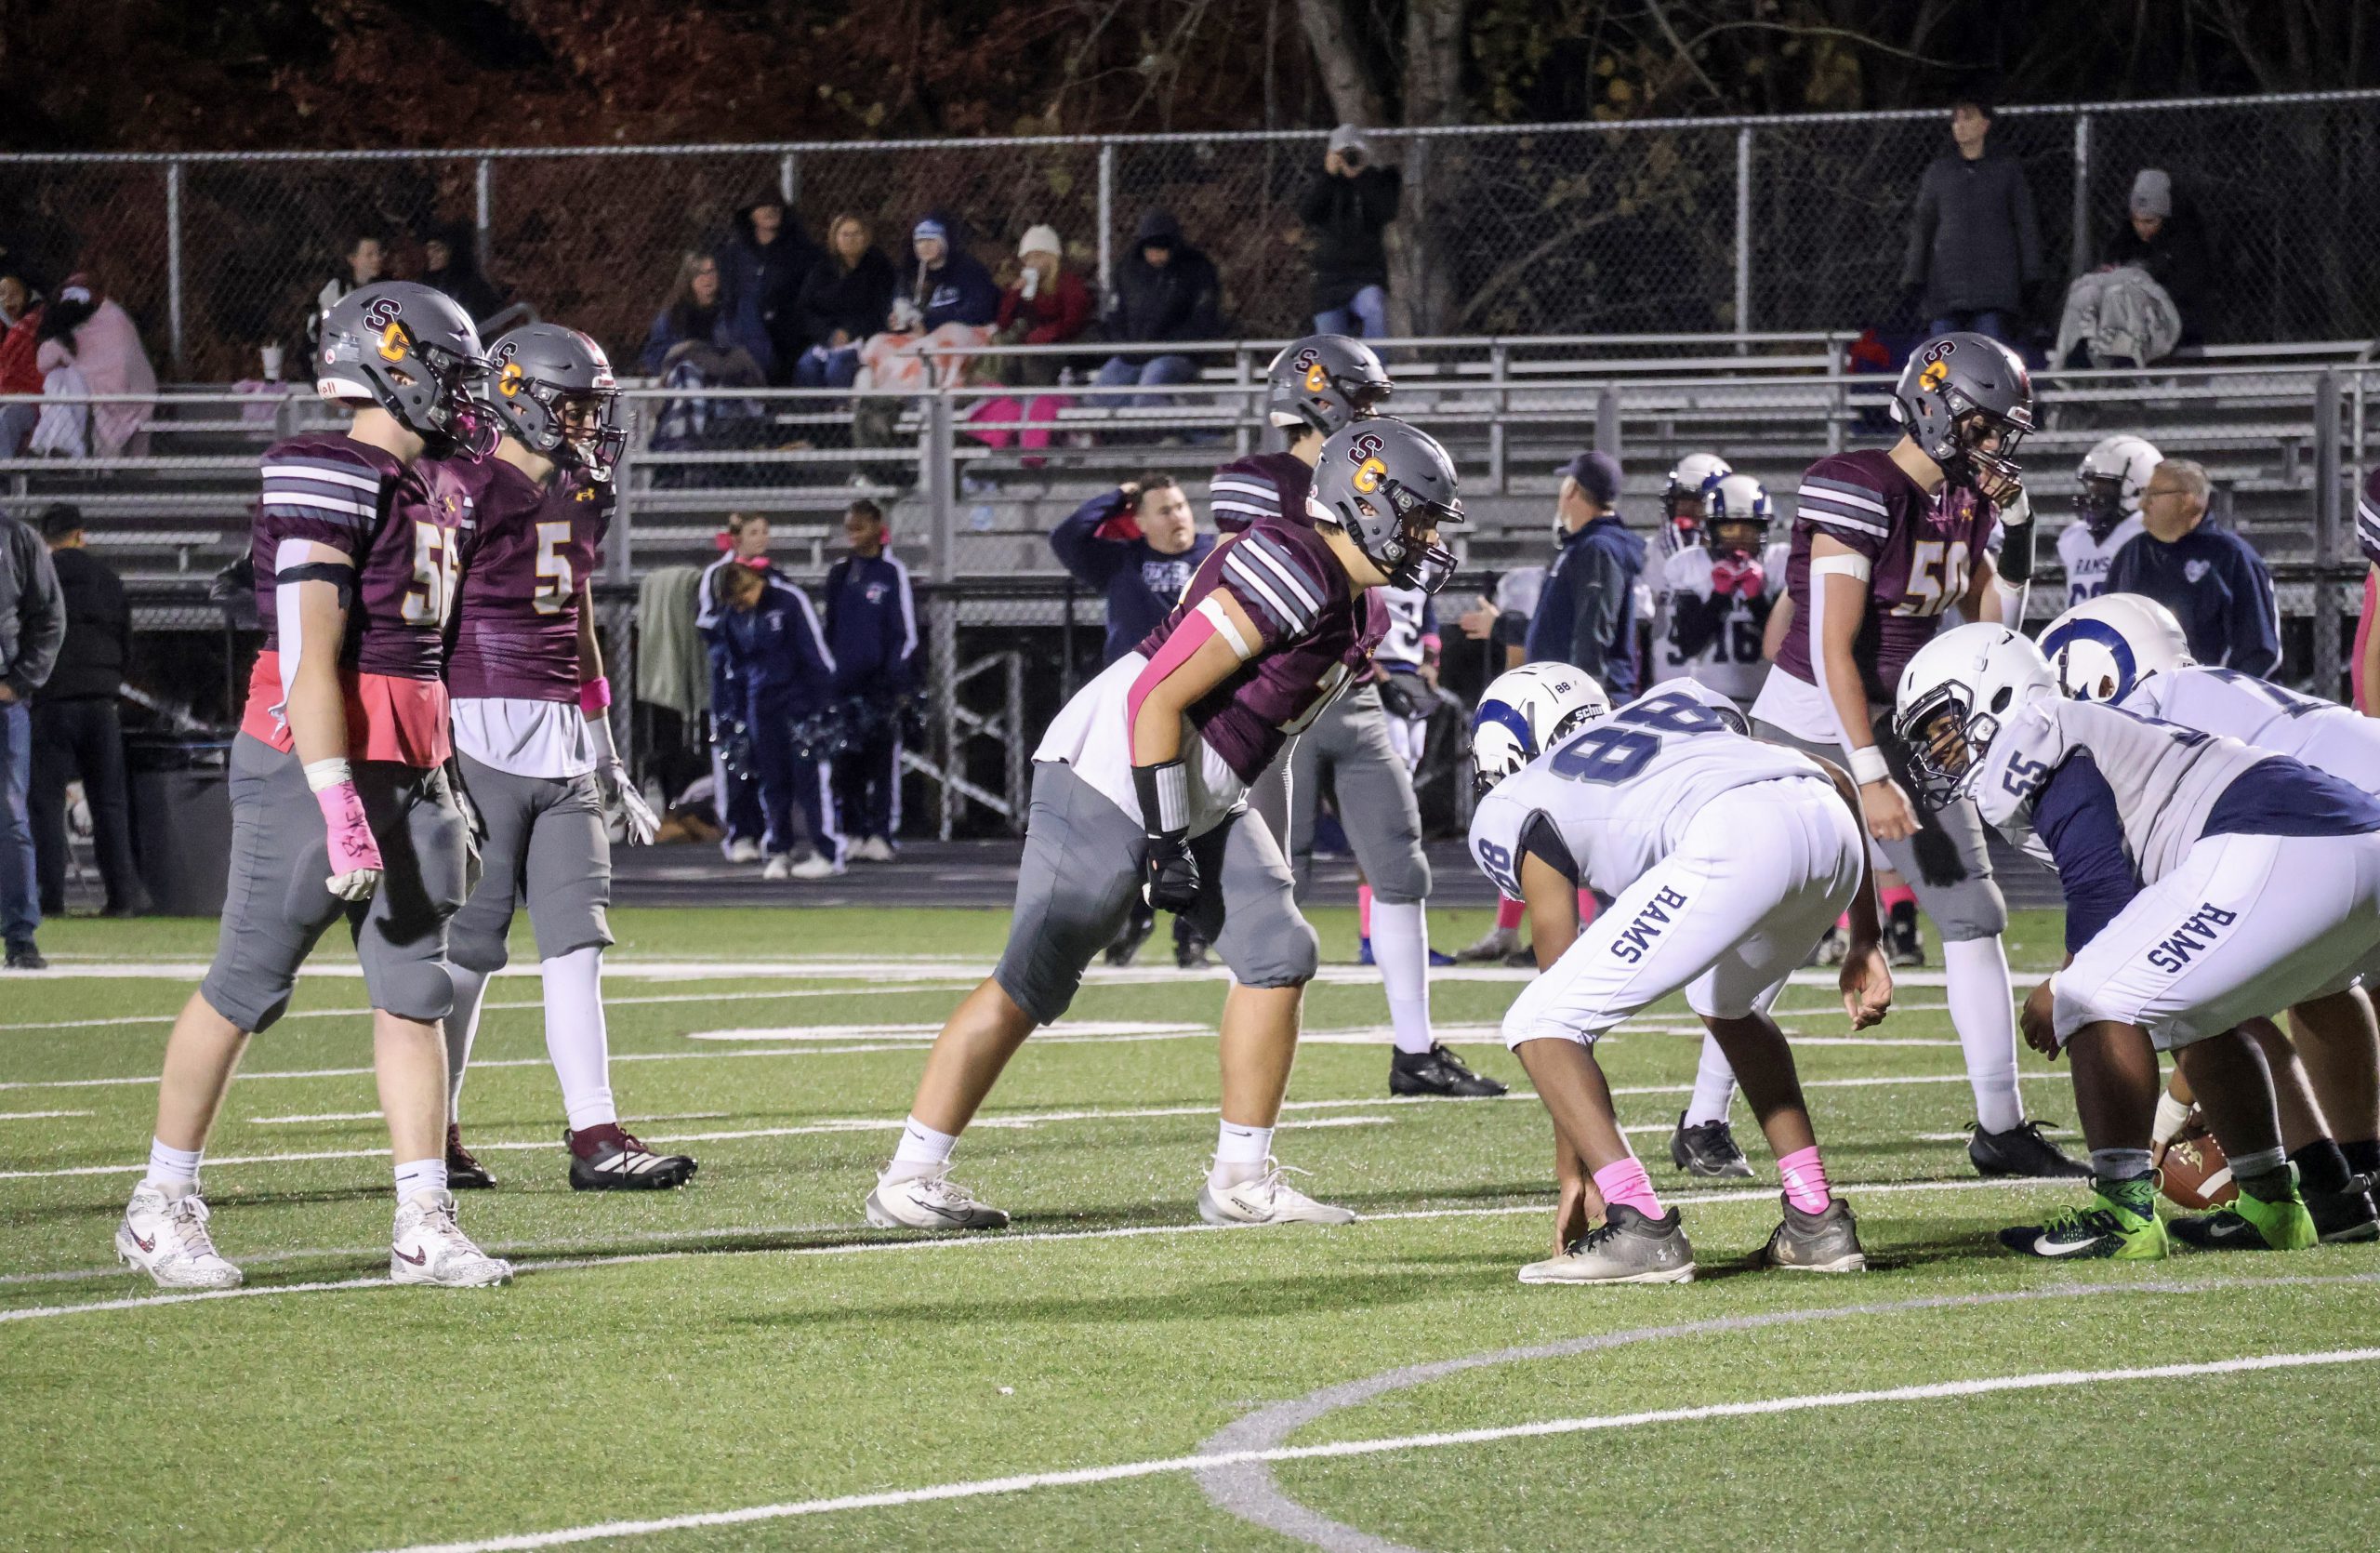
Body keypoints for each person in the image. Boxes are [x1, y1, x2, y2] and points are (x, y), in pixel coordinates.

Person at [863, 418, 1463, 1233]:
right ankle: (911, 1175)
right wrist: (1167, 836)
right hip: (1117, 769)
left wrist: (1238, 829)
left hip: (1199, 784)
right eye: (1421, 515)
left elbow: (1266, 737)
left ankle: (1240, 1180)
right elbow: (1157, 697)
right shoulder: (1292, 567)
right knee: (1035, 975)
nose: (1428, 536)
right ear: (1371, 502)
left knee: (1279, 951)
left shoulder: (1360, 609)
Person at [112, 281, 509, 1290]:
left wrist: (442, 773)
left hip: (410, 763)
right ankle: (159, 1204)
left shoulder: (438, 485)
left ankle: (424, 1217)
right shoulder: (324, 466)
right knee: (249, 983)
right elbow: (307, 654)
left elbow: (428, 655)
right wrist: (336, 801)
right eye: (452, 372)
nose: (466, 395)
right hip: (311, 759)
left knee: (413, 991)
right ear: (392, 364)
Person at [1895, 623, 2379, 1258]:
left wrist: (2060, 987)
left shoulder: (2037, 730)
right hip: (2340, 847)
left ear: (1998, 691)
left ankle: (2123, 1214)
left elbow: (2100, 886)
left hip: (2283, 840)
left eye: (1943, 723)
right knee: (2187, 1015)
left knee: (2092, 994)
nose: (1939, 749)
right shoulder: (2089, 731)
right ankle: (2274, 1205)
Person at [1735, 330, 2082, 1181]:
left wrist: (2023, 526)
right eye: (1986, 425)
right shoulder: (1858, 485)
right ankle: (1704, 1118)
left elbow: (1995, 628)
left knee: (1972, 911)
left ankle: (2000, 1126)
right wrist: (1869, 770)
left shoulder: (1964, 501)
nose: (1998, 445)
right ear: (1937, 409)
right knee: (1778, 928)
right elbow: (1832, 649)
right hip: (1813, 726)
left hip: (1906, 719)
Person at [1466, 667, 1889, 1282]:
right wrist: (1867, 938)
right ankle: (1815, 1218)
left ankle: (1638, 1225)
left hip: (1739, 838)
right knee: (1728, 1001)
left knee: (1537, 1019)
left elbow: (1557, 1011)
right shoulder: (1678, 702)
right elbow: (1837, 778)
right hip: (1831, 829)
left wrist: (1577, 1177)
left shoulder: (1518, 799)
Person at [434, 323, 690, 1194]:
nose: (587, 422)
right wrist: (432, 751)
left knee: (577, 946)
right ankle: (434, 1128)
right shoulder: (461, 487)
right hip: (474, 736)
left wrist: (606, 742)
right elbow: (419, 621)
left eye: (593, 406)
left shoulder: (585, 489)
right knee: (469, 951)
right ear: (517, 396)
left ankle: (596, 1134)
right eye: (573, 404)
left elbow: (574, 606)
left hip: (563, 747)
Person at [2040, 591, 2380, 1241]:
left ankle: (2329, 1189)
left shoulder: (2136, 724)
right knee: (2327, 982)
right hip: (2363, 827)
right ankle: (2361, 1178)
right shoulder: (2212, 689)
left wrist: (2168, 1109)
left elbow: (2144, 932)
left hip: (2341, 834)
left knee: (2192, 978)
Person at [1228, 338, 1493, 1096]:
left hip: (1361, 687)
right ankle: (1255, 1052)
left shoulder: (1380, 465)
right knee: (1278, 875)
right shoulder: (1259, 481)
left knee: (1400, 861)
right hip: (1281, 697)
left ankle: (1416, 1051)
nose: (1376, 411)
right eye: (1363, 397)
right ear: (1321, 396)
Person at [1050, 474, 1213, 967]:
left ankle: (1193, 932)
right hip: (1134, 706)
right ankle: (1134, 915)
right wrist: (1117, 497)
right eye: (1163, 510)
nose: (1179, 517)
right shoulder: (1121, 561)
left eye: (1182, 506)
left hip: (1202, 699)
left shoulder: (1214, 557)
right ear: (1139, 522)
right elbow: (1065, 537)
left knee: (1200, 817)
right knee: (1132, 816)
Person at [29, 503, 148, 920]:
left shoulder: (37, 578)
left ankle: (49, 899)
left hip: (50, 703)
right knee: (109, 802)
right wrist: (110, 682)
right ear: (82, 534)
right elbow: (127, 640)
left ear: (45, 540)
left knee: (44, 804)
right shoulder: (109, 579)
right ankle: (121, 897)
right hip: (101, 704)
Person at [714, 561, 842, 881]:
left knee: (809, 780)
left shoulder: (788, 602)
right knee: (772, 783)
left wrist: (821, 706)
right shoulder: (734, 617)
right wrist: (739, 713)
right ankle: (779, 850)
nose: (739, 606)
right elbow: (737, 669)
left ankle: (825, 852)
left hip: (798, 703)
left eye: (741, 597)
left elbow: (815, 655)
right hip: (761, 707)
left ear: (752, 584)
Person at [2104, 458, 2279, 677]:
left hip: (2212, 701)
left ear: (2186, 501)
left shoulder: (2233, 556)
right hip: (2141, 700)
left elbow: (2259, 649)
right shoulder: (2131, 554)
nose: (2142, 504)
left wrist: (2211, 694)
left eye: (2153, 495)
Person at [1899, 98, 2040, 346]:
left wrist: (2032, 273)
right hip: (1945, 287)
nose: (1960, 125)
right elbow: (1923, 226)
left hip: (1994, 288)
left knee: (1988, 356)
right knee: (1943, 362)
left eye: (1968, 118)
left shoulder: (2006, 171)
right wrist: (1913, 274)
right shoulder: (1939, 173)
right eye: (1956, 120)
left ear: (1985, 125)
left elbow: (2025, 224)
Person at [823, 498, 916, 863]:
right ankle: (854, 829)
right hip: (843, 687)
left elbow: (903, 632)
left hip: (879, 688)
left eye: (860, 527)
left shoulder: (892, 573)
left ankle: (882, 832)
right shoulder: (840, 574)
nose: (853, 534)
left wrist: (896, 678)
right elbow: (829, 630)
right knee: (846, 765)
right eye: (849, 528)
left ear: (878, 526)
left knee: (881, 762)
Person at [1654, 473, 1787, 711]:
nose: (1738, 538)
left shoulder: (1778, 564)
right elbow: (1689, 644)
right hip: (1710, 698)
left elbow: (1784, 646)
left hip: (1766, 698)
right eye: (1728, 528)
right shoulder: (1689, 564)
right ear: (1712, 528)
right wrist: (1719, 596)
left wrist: (1757, 599)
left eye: (1748, 529)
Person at [1525, 451, 1647, 698]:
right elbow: (1561, 624)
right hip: (1571, 693)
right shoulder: (1584, 546)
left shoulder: (1598, 548)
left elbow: (1595, 630)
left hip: (1587, 700)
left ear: (1572, 490)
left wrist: (1584, 699)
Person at [1, 499, 64, 970]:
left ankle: (21, 935)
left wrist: (17, 682)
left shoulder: (16, 538)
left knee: (10, 817)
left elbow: (49, 616)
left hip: (3, 704)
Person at [697, 512, 774, 862]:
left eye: (765, 532)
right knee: (734, 757)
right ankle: (741, 832)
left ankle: (771, 831)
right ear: (736, 537)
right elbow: (710, 626)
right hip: (731, 686)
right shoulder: (717, 576)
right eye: (754, 532)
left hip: (767, 683)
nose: (762, 538)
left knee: (768, 756)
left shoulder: (771, 576)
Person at [1094, 208, 1223, 409]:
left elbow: (1202, 321)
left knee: (1149, 393)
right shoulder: (1128, 269)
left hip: (1176, 354)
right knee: (1097, 398)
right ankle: (1135, 434)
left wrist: (1163, 346)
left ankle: (1202, 435)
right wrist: (1126, 347)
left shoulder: (1196, 269)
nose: (1155, 254)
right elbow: (1115, 315)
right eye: (1150, 248)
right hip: (1132, 355)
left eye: (1162, 248)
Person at [35, 278, 157, 458]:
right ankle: (60, 448)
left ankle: (50, 446)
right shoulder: (112, 315)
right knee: (59, 379)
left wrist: (58, 339)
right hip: (121, 394)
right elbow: (44, 363)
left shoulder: (107, 321)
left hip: (126, 398)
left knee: (66, 379)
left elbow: (43, 362)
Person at [1300, 126, 1401, 338]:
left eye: (1354, 153)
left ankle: (1374, 369)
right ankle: (1339, 373)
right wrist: (1328, 176)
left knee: (1374, 306)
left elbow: (1386, 212)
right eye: (1343, 154)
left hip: (1366, 275)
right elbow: (1307, 213)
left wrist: (1360, 177)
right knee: (1331, 347)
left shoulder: (1378, 179)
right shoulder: (1323, 181)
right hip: (1328, 278)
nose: (1348, 159)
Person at [716, 192, 821, 383]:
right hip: (743, 331)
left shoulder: (803, 252)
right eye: (762, 205)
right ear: (750, 214)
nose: (770, 210)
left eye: (775, 206)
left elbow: (809, 299)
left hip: (788, 332)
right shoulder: (733, 254)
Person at [793, 213, 896, 392]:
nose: (851, 239)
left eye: (856, 234)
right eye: (845, 235)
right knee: (806, 366)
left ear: (866, 237)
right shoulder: (822, 269)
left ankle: (842, 415)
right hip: (827, 338)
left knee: (837, 367)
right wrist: (829, 334)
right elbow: (806, 310)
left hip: (863, 339)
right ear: (835, 239)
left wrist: (851, 332)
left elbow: (881, 310)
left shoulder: (878, 267)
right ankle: (813, 417)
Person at [2058, 434, 2159, 605]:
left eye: (2104, 490)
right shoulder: (2076, 537)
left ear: (2140, 489)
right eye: (2092, 488)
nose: (2094, 498)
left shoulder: (2143, 531)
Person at [901, 216, 999, 333]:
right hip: (923, 337)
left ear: (943, 241)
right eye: (920, 241)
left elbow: (979, 311)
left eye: (931, 240)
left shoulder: (968, 269)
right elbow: (905, 307)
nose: (925, 246)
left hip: (966, 335)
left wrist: (927, 321)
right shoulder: (911, 275)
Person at [306, 233, 384, 355]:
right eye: (370, 255)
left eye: (379, 254)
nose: (377, 259)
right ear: (353, 259)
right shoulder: (337, 289)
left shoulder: (386, 286)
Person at [419, 225, 507, 326]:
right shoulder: (428, 281)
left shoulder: (470, 287)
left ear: (454, 253)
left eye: (438, 249)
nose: (430, 254)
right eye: (428, 249)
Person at [0, 268, 42, 458]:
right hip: (5, 397)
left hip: (28, 401)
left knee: (7, 417)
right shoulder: (7, 333)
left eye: (13, 294)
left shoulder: (38, 324)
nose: (7, 300)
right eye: (1, 294)